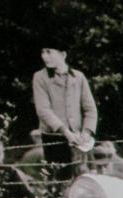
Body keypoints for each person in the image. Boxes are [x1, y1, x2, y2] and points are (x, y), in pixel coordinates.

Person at [32, 40, 97, 183]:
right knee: (60, 182)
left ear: (63, 54)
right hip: (54, 138)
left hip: (80, 139)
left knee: (85, 180)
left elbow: (90, 109)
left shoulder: (78, 77)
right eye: (43, 52)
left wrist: (86, 133)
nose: (44, 56)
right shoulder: (40, 77)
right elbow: (43, 110)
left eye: (49, 52)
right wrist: (66, 133)